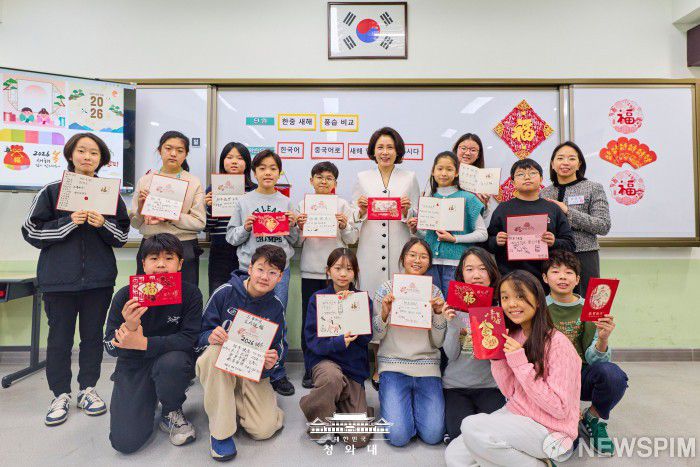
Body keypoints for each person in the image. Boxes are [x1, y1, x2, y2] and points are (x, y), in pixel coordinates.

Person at [21, 132, 129, 426]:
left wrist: (102, 223)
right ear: (71, 155)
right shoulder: (51, 191)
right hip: (58, 281)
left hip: (99, 280)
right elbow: (31, 231)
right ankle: (60, 394)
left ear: (101, 160)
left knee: (92, 337)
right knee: (59, 339)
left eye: (94, 153)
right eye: (82, 151)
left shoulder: (110, 194)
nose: (87, 157)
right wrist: (68, 222)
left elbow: (121, 236)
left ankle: (88, 389)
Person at [445, 270, 582, 467]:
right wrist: (497, 359)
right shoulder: (514, 335)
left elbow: (559, 409)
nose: (512, 304)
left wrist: (520, 362)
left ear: (538, 300)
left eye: (520, 296)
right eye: (505, 298)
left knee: (471, 426)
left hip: (551, 431)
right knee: (454, 455)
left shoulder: (558, 344)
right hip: (517, 414)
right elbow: (509, 391)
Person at [104, 234, 202, 453]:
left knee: (174, 364)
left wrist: (144, 343)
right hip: (134, 364)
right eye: (154, 258)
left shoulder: (191, 294)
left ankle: (171, 409)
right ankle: (147, 399)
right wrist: (129, 327)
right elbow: (109, 346)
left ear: (180, 264)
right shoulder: (126, 296)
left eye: (169, 258)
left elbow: (190, 339)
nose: (161, 265)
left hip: (171, 362)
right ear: (143, 263)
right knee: (124, 442)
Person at [196, 245, 287, 461]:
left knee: (264, 430)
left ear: (280, 277)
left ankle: (231, 401)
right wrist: (209, 336)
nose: (264, 277)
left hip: (252, 371)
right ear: (250, 268)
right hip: (220, 366)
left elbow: (278, 348)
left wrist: (271, 362)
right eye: (260, 269)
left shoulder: (276, 307)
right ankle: (220, 433)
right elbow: (198, 335)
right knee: (214, 351)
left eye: (272, 272)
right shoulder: (225, 292)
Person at [226, 149, 299, 396]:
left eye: (273, 168)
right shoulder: (244, 201)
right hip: (250, 270)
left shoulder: (287, 202)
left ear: (279, 173)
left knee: (277, 320)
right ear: (254, 172)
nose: (268, 173)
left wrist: (293, 225)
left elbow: (296, 240)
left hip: (280, 272)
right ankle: (244, 369)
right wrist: (246, 228)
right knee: (247, 321)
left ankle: (277, 372)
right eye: (262, 168)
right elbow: (231, 237)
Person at [352, 126, 420, 389]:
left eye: (390, 147)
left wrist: (409, 211)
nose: (385, 152)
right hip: (369, 250)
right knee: (372, 304)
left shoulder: (410, 177)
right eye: (380, 147)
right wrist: (359, 211)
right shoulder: (362, 177)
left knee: (398, 303)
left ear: (397, 150)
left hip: (399, 249)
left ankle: (393, 363)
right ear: (373, 150)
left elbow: (417, 222)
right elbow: (353, 220)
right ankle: (374, 364)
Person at [543, 249, 628, 456]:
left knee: (613, 375)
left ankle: (592, 418)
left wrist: (603, 338)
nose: (562, 277)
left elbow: (594, 359)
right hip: (550, 377)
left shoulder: (590, 307)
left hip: (581, 375)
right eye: (555, 271)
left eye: (569, 272)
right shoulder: (539, 307)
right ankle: (560, 418)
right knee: (567, 446)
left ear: (578, 279)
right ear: (545, 278)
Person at [373, 239, 447, 447]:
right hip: (393, 366)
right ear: (403, 258)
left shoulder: (435, 293)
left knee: (434, 435)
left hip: (427, 368)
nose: (417, 260)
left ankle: (410, 405)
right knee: (398, 437)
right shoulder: (387, 290)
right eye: (412, 255)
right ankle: (399, 403)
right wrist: (384, 314)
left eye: (423, 256)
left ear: (429, 262)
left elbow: (438, 341)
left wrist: (438, 314)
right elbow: (376, 336)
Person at [299, 248, 373, 446]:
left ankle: (330, 404)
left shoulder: (362, 299)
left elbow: (367, 338)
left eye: (349, 269)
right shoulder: (318, 298)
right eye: (338, 268)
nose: (343, 274)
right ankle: (319, 417)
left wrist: (352, 310)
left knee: (358, 439)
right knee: (331, 378)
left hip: (353, 368)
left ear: (355, 272)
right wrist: (339, 342)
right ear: (328, 271)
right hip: (326, 363)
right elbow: (312, 341)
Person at [295, 162, 359, 388]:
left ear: (335, 183)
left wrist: (344, 226)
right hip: (311, 271)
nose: (324, 181)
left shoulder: (343, 205)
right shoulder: (302, 204)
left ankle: (339, 365)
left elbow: (352, 239)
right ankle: (310, 367)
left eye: (329, 178)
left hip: (338, 273)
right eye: (319, 177)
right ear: (311, 180)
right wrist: (299, 227)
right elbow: (296, 242)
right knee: (310, 322)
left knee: (339, 320)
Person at [441, 247, 506, 443]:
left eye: (482, 269)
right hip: (456, 386)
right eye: (469, 269)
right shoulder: (453, 307)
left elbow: (500, 358)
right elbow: (451, 355)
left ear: (491, 273)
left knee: (495, 436)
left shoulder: (500, 307)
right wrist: (453, 324)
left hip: (490, 386)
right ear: (461, 274)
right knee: (459, 436)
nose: (476, 275)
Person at [131, 130, 206, 286]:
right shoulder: (145, 180)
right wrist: (141, 209)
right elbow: (135, 224)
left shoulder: (193, 182)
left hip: (183, 247)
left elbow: (200, 223)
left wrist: (173, 216)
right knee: (149, 296)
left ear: (186, 154)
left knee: (185, 296)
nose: (173, 154)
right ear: (160, 150)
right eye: (168, 148)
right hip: (151, 246)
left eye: (179, 150)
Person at [408, 150, 487, 297]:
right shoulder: (429, 199)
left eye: (449, 169)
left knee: (454, 306)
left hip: (456, 264)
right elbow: (428, 236)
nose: (444, 173)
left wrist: (455, 238)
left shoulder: (469, 198)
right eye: (440, 169)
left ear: (456, 173)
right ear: (433, 171)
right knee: (433, 305)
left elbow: (482, 234)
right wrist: (415, 230)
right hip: (430, 262)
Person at [486, 158, 575, 284]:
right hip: (510, 277)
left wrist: (554, 242)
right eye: (521, 174)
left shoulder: (552, 208)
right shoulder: (503, 208)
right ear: (513, 182)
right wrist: (496, 241)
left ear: (541, 179)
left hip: (547, 279)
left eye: (532, 173)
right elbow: (487, 243)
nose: (527, 177)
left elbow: (570, 244)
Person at [540, 141, 611, 294]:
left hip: (583, 255)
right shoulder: (544, 193)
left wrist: (568, 211)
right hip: (551, 257)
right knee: (551, 303)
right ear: (552, 164)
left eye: (571, 158)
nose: (565, 162)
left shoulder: (593, 188)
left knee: (586, 301)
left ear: (579, 164)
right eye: (560, 158)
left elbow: (603, 225)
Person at [205, 142, 256, 295]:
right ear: (222, 161)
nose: (234, 161)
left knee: (247, 295)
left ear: (247, 163)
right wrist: (211, 208)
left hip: (248, 249)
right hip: (220, 249)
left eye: (240, 158)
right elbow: (207, 227)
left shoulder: (255, 190)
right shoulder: (213, 189)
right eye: (229, 157)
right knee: (219, 294)